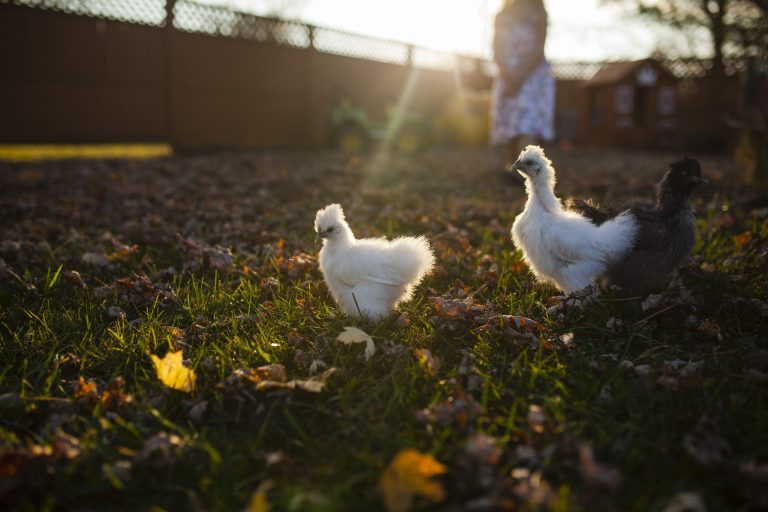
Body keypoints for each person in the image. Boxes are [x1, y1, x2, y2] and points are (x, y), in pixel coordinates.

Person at [490, 0, 555, 166]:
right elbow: (496, 48)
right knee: (510, 125)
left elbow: (539, 48)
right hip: (507, 73)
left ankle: (529, 174)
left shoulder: (538, 12)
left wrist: (520, 75)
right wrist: (508, 74)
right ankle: (512, 169)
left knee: (527, 125)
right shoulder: (502, 15)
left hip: (533, 75)